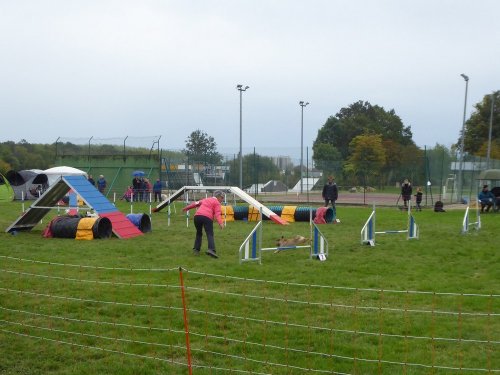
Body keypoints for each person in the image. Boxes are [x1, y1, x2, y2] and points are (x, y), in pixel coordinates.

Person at [182, 190, 225, 258]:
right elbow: (217, 213)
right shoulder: (217, 203)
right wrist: (221, 223)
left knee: (199, 233)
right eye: (222, 198)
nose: (222, 199)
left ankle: (196, 250)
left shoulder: (206, 199)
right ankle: (211, 250)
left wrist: (186, 208)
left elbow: (195, 204)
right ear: (218, 197)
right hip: (207, 218)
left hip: (197, 217)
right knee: (210, 233)